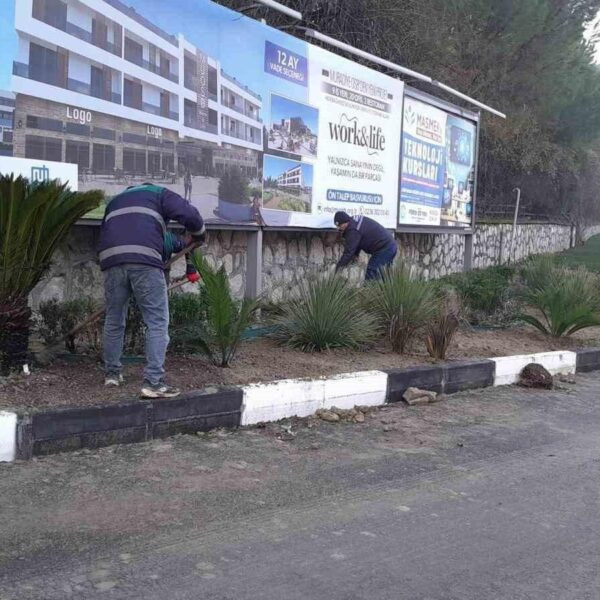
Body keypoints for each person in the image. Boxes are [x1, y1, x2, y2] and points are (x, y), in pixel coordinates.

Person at [98, 183, 205, 398]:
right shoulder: (157, 193)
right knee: (157, 321)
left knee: (114, 319)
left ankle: (112, 374)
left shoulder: (114, 201)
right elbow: (189, 214)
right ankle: (153, 382)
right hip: (145, 260)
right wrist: (200, 233)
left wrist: (189, 265)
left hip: (111, 261)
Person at [334, 211, 397, 281]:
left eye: (339, 225)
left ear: (345, 223)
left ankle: (369, 291)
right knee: (383, 275)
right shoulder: (353, 223)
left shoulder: (352, 230)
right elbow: (357, 242)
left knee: (371, 272)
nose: (338, 228)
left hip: (385, 248)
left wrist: (338, 268)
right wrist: (355, 255)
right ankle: (384, 291)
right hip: (389, 245)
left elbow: (348, 252)